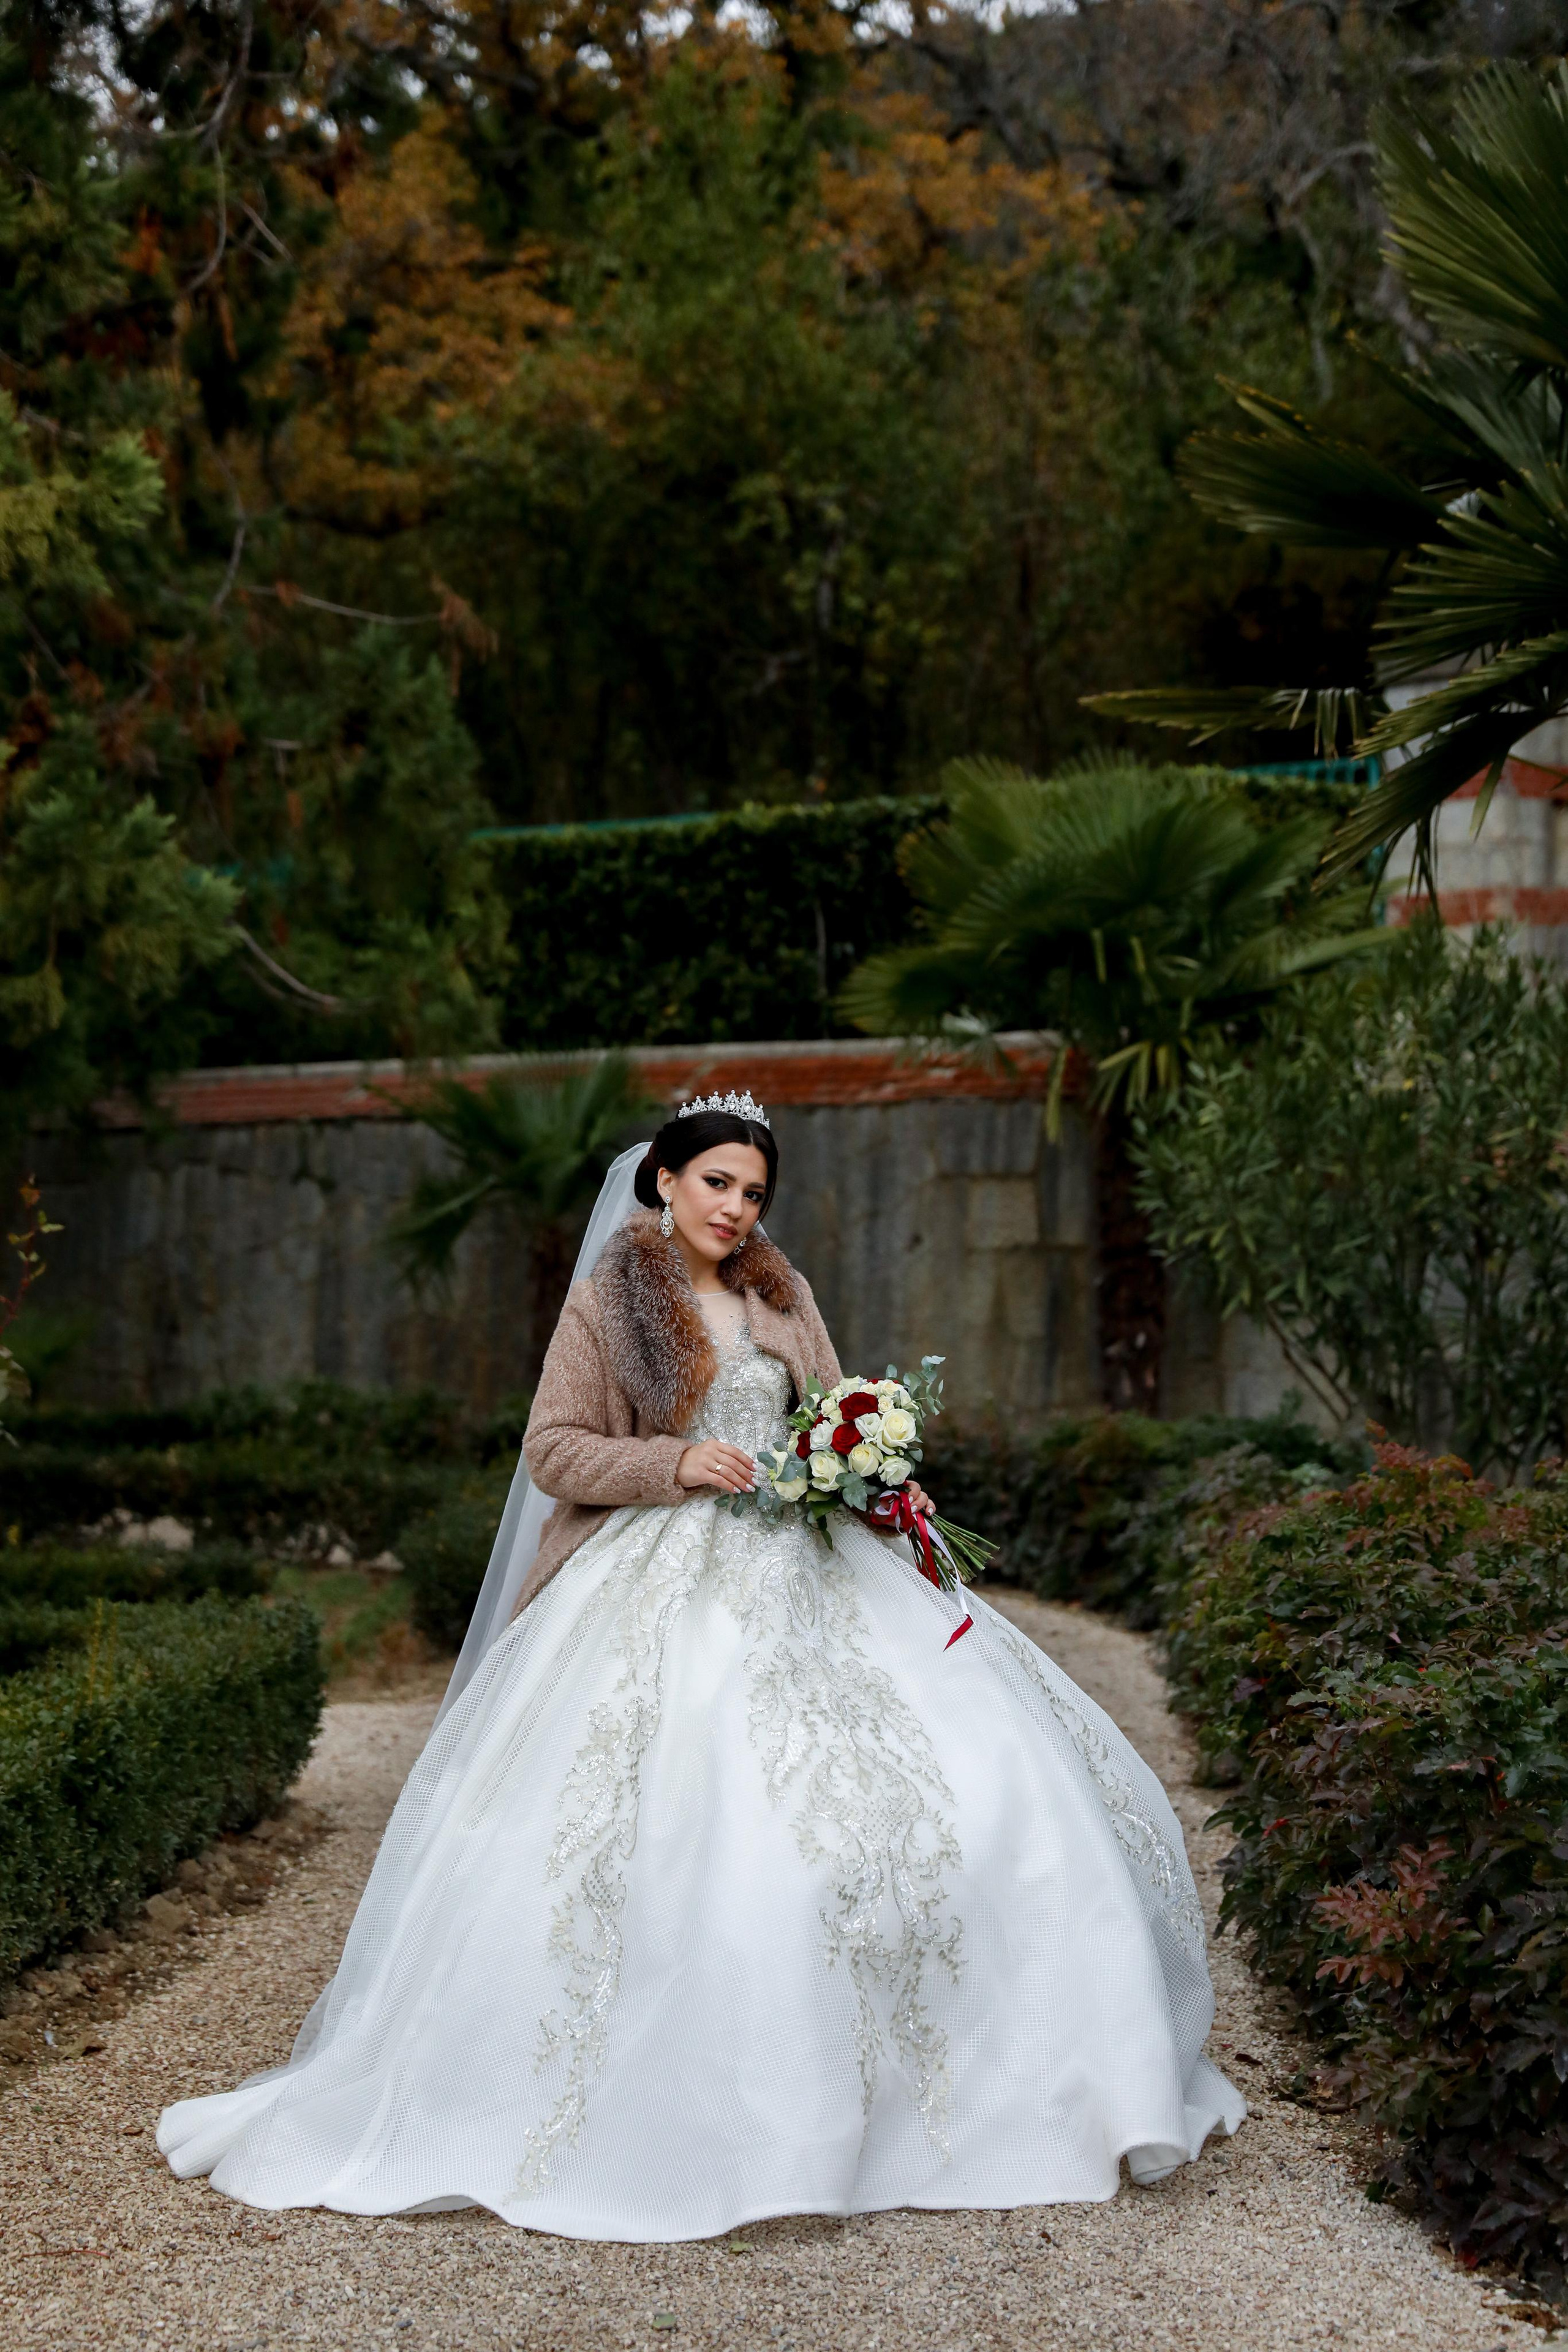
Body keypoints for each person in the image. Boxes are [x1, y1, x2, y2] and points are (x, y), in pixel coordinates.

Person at [158, 1095, 1243, 2239]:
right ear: (664, 1181)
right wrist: (677, 1463)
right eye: (717, 1182)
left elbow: (829, 1411)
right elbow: (553, 1449)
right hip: (658, 1564)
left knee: (974, 1783)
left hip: (812, 1557)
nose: (736, 1208)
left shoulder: (784, 1293)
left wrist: (859, 1458)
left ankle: (981, 2077)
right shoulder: (609, 1299)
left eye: (754, 1192)